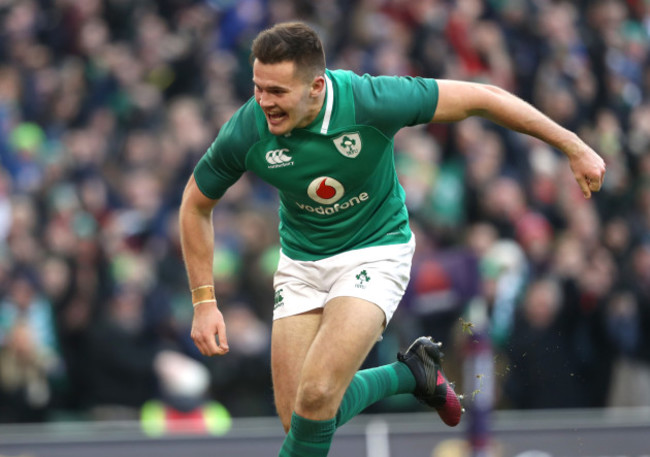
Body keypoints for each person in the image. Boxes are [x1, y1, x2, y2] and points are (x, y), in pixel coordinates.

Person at [179, 21, 606, 457]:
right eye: (258, 88)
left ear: (316, 87)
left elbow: (483, 98)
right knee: (298, 416)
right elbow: (195, 204)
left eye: (277, 92)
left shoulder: (371, 101)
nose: (264, 102)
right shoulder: (247, 129)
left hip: (375, 252)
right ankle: (411, 376)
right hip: (301, 262)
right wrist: (204, 301)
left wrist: (573, 145)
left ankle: (410, 375)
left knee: (318, 394)